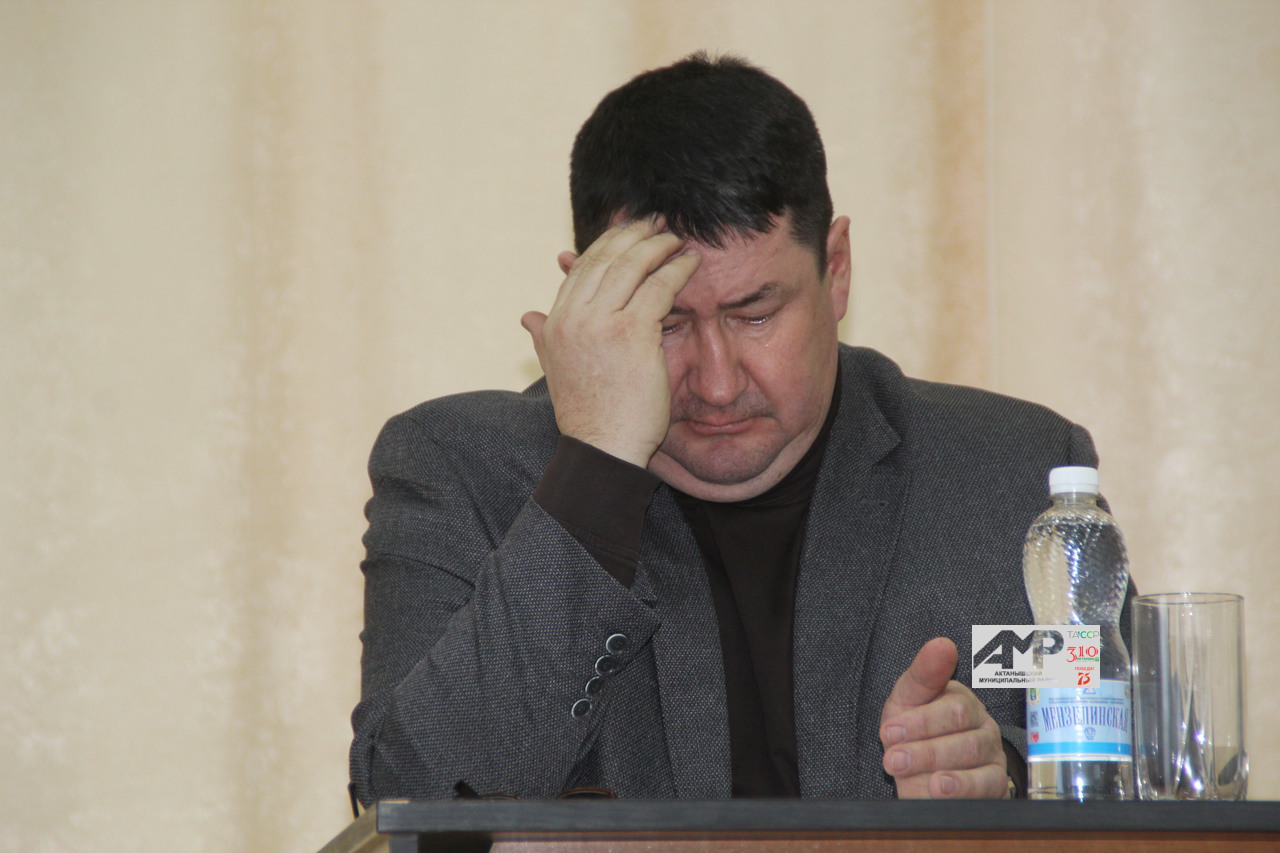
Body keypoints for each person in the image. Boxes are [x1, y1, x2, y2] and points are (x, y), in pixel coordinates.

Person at [349, 53, 1104, 807]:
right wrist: (595, 468)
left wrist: (1006, 773)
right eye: (667, 322)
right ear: (587, 301)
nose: (716, 382)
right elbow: (411, 802)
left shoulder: (1016, 475)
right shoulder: (458, 471)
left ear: (837, 270)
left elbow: (1127, 774)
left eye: (755, 315)